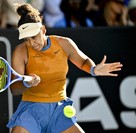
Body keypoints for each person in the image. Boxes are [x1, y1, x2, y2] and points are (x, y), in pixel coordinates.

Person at [7, 3, 123, 133]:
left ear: (43, 30)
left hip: (59, 111)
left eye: (34, 37)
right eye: (26, 39)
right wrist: (27, 83)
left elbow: (83, 61)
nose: (31, 43)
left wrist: (93, 69)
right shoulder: (20, 52)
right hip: (31, 112)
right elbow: (15, 89)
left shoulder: (64, 43)